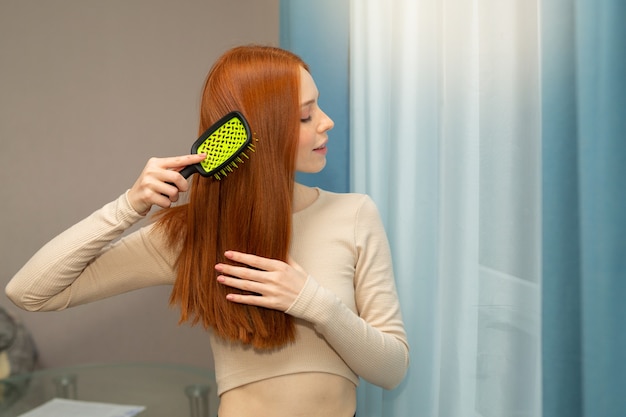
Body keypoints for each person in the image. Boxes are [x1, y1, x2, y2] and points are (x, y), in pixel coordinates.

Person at [6, 45, 408, 417]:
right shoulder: (193, 235)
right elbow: (30, 292)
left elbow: (392, 369)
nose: (327, 122)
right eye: (306, 115)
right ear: (262, 132)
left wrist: (312, 302)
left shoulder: (354, 214)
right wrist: (128, 207)